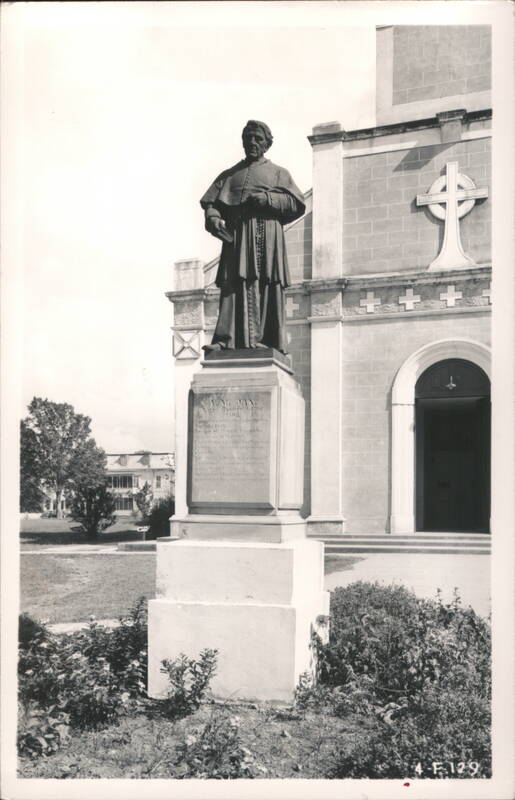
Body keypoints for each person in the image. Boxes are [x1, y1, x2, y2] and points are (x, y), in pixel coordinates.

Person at [200, 120, 305, 354]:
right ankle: (225, 340)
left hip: (268, 237)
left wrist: (269, 200)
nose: (252, 142)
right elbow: (211, 204)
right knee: (232, 285)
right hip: (236, 237)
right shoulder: (229, 175)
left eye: (258, 138)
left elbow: (296, 204)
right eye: (248, 137)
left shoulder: (279, 173)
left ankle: (270, 340)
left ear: (267, 143)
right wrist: (214, 218)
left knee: (268, 283)